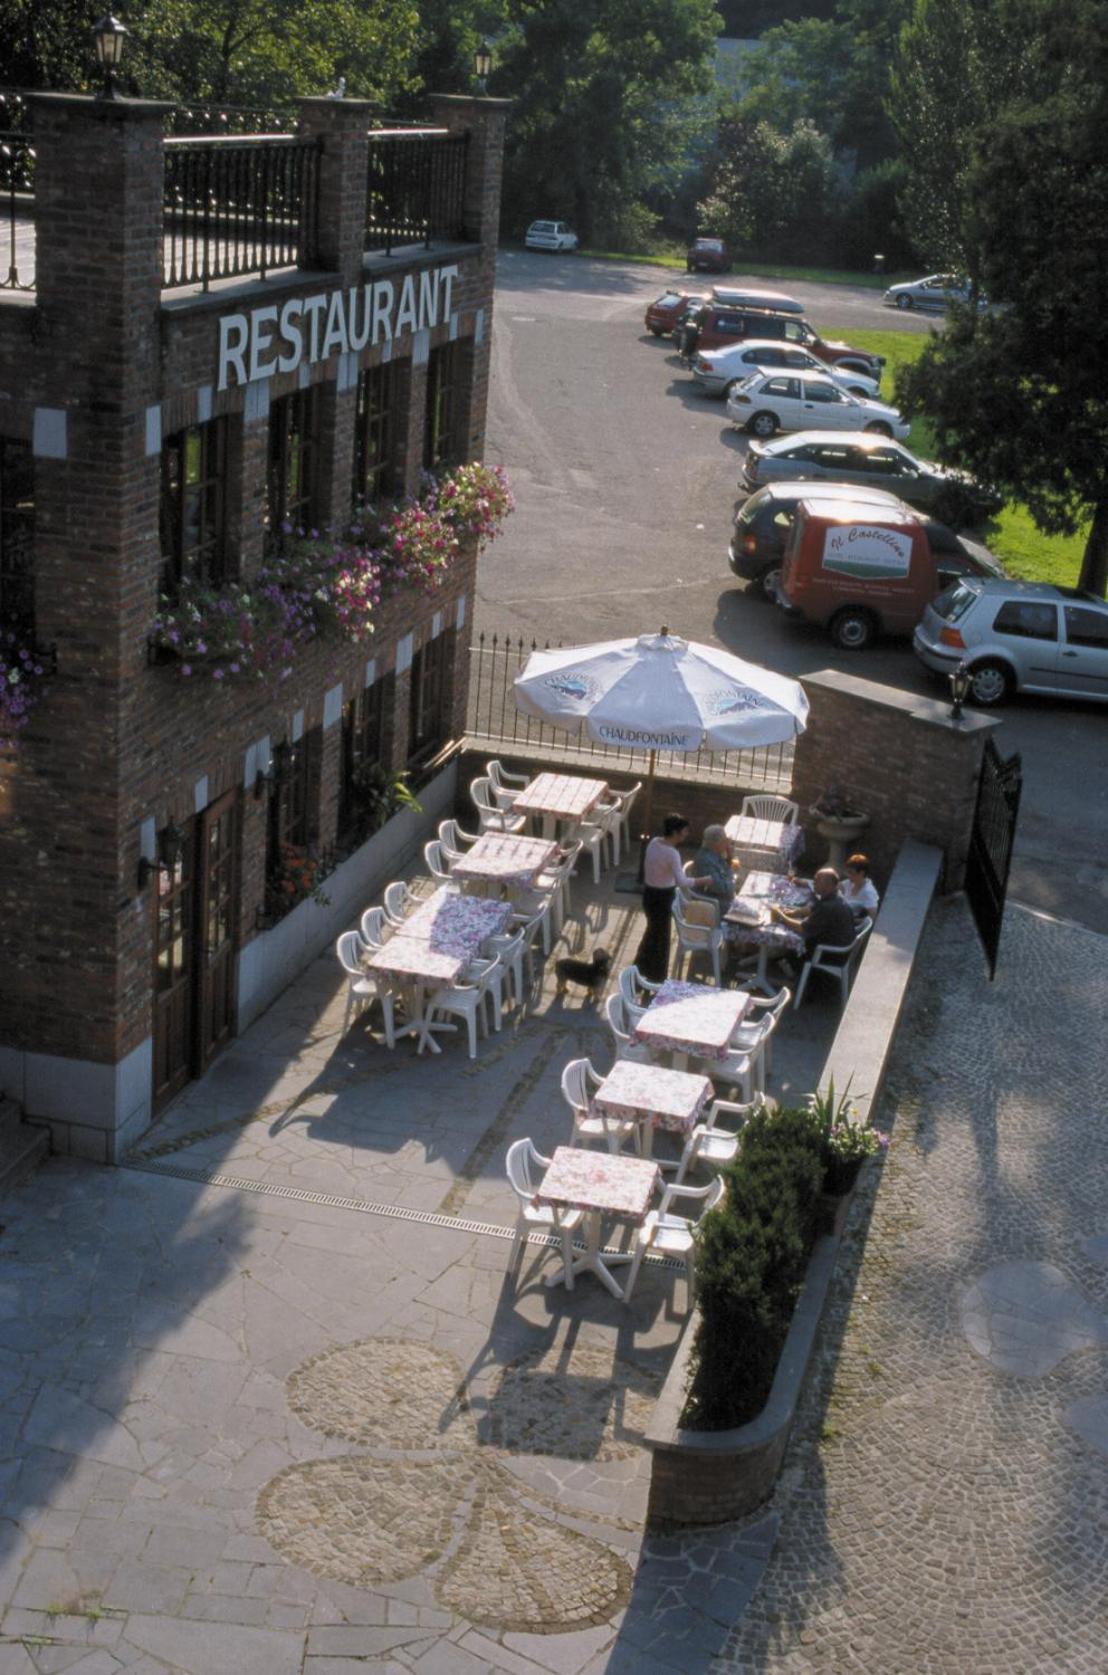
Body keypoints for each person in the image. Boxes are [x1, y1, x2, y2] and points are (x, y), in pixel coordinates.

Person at [634, 814, 712, 982]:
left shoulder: (654, 842)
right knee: (660, 938)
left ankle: (641, 970)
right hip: (662, 897)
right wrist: (703, 880)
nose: (686, 835)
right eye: (684, 832)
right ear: (676, 833)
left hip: (649, 894)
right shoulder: (672, 853)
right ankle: (655, 976)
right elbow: (682, 881)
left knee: (652, 933)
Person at [773, 866, 855, 963]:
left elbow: (803, 928)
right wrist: (792, 913)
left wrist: (780, 915)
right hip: (839, 946)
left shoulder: (828, 907)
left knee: (789, 938)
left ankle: (792, 968)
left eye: (816, 881)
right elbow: (812, 909)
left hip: (829, 954)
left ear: (828, 885)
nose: (813, 883)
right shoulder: (836, 896)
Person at [692, 824, 736, 911]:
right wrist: (732, 881)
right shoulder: (705, 860)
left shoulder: (716, 855)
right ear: (717, 843)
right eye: (725, 841)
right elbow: (720, 887)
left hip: (723, 900)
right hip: (713, 905)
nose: (727, 844)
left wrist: (729, 858)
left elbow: (726, 875)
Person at [840, 854, 880, 919]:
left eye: (851, 873)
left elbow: (872, 917)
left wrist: (853, 921)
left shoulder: (868, 892)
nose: (849, 876)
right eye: (848, 872)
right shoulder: (849, 883)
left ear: (861, 873)